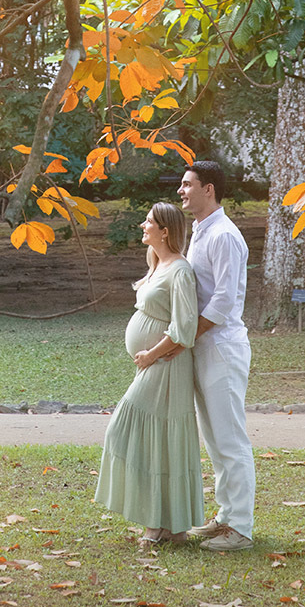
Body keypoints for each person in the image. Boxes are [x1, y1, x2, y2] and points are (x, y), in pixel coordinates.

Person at [95, 202, 204, 544]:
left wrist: (152, 354)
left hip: (166, 366)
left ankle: (159, 527)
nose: (143, 225)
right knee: (149, 441)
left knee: (129, 432)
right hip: (155, 364)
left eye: (149, 222)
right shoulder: (158, 264)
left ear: (165, 230)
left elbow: (185, 327)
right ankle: (166, 526)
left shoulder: (180, 271)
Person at [179, 160, 255, 551]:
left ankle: (240, 529)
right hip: (204, 347)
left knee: (230, 440)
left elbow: (224, 299)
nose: (181, 191)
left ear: (209, 189)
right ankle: (225, 518)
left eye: (188, 184)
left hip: (222, 346)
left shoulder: (224, 235)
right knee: (214, 440)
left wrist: (185, 336)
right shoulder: (201, 232)